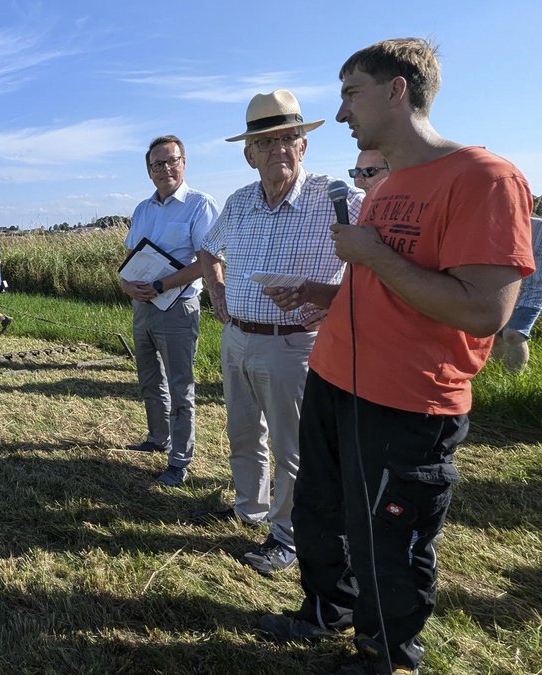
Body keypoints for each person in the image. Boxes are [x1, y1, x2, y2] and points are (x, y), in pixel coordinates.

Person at [256, 39, 534, 675]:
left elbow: (483, 310)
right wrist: (327, 290)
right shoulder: (388, 185)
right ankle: (327, 608)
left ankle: (386, 654)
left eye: (351, 92)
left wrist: (373, 255)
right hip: (335, 378)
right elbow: (387, 282)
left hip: (408, 401)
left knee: (388, 539)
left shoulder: (484, 179)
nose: (343, 110)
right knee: (321, 511)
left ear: (396, 90)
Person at [198, 89, 363, 576]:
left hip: (295, 346)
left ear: (304, 146)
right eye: (266, 142)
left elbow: (377, 266)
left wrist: (334, 306)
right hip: (237, 338)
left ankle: (287, 536)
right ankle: (249, 509)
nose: (279, 151)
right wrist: (217, 295)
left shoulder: (337, 199)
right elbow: (209, 250)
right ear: (249, 154)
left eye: (288, 138)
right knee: (243, 432)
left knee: (291, 447)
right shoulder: (241, 200)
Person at [119, 135, 219, 488]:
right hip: (143, 306)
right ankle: (157, 437)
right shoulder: (143, 209)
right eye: (157, 164)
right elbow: (130, 260)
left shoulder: (199, 205)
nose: (165, 169)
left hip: (178, 307)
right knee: (149, 377)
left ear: (184, 162)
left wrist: (164, 285)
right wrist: (127, 286)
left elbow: (207, 261)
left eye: (171, 161)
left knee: (180, 384)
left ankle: (179, 460)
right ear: (149, 171)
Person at [301, 149, 392, 330]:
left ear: (393, 171)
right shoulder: (360, 210)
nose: (358, 180)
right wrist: (339, 302)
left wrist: (348, 305)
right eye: (355, 173)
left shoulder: (405, 221)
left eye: (368, 172)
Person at [491, 215, 542, 371]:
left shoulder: (538, 226)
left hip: (534, 290)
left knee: (514, 334)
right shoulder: (501, 224)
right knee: (495, 337)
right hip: (508, 286)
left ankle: (514, 377)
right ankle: (499, 374)